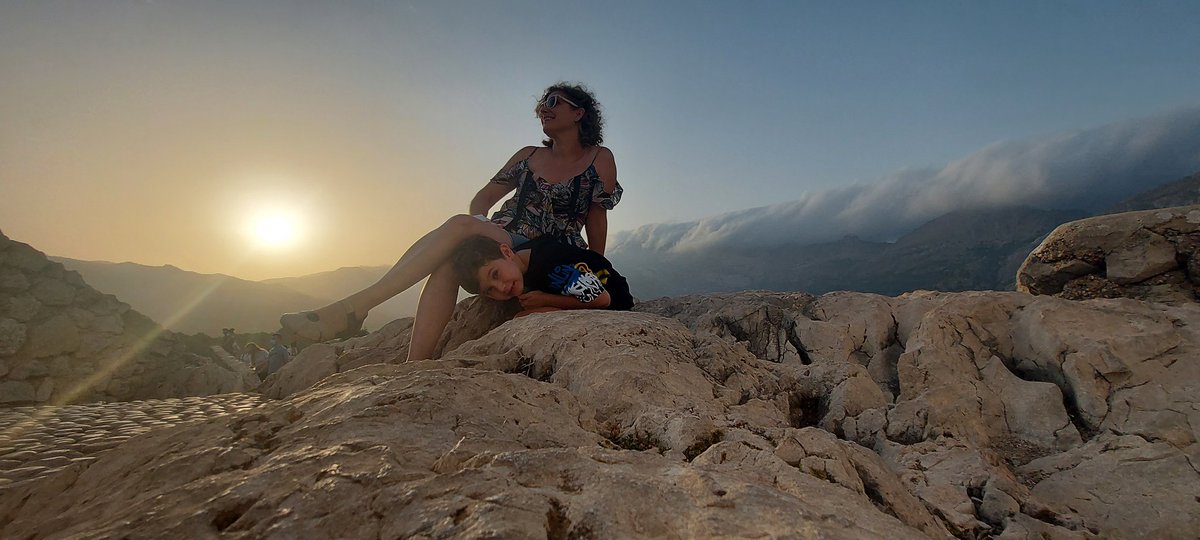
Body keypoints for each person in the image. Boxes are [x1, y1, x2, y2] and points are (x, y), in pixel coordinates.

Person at [280, 83, 622, 360]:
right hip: (507, 237)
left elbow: (597, 216)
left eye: (553, 101)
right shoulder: (529, 155)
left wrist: (597, 267)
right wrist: (482, 227)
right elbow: (483, 199)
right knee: (455, 252)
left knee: (458, 228)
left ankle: (355, 308)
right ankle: (415, 365)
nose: (543, 109)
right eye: (540, 105)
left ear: (579, 112)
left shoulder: (599, 159)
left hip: (554, 248)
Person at [449, 235, 633, 316]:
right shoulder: (519, 259)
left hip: (614, 298)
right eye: (490, 290)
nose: (501, 288)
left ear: (506, 252)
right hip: (594, 294)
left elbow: (603, 299)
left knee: (521, 319)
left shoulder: (551, 264)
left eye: (495, 274)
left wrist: (545, 300)